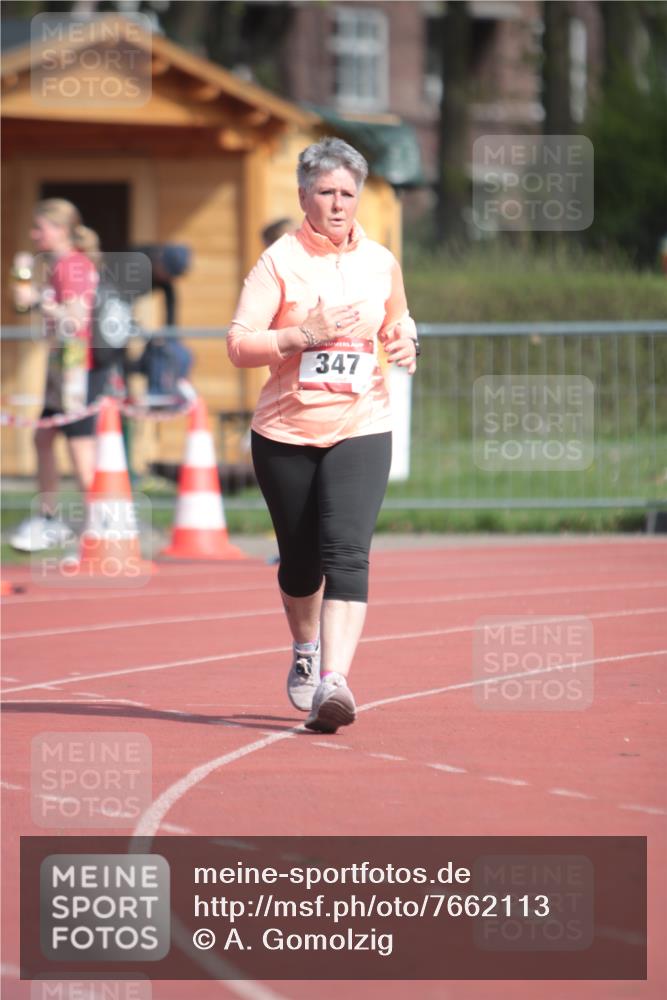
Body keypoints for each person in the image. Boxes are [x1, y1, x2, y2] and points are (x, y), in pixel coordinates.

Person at [227, 137, 419, 733]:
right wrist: (298, 335)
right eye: (326, 192)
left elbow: (399, 316)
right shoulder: (279, 261)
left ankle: (333, 682)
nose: (338, 204)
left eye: (347, 193)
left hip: (362, 423)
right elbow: (238, 343)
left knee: (347, 552)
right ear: (304, 195)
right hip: (285, 433)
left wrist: (407, 339)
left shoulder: (380, 259)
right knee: (302, 562)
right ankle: (305, 650)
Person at [9, 199, 109, 553]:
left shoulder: (73, 266)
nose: (35, 235)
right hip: (61, 363)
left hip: (77, 364)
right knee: (43, 437)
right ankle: (49, 516)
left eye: (41, 228)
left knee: (81, 447)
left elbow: (75, 321)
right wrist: (24, 280)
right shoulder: (57, 266)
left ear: (62, 230)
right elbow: (20, 303)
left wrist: (39, 298)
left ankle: (94, 528)